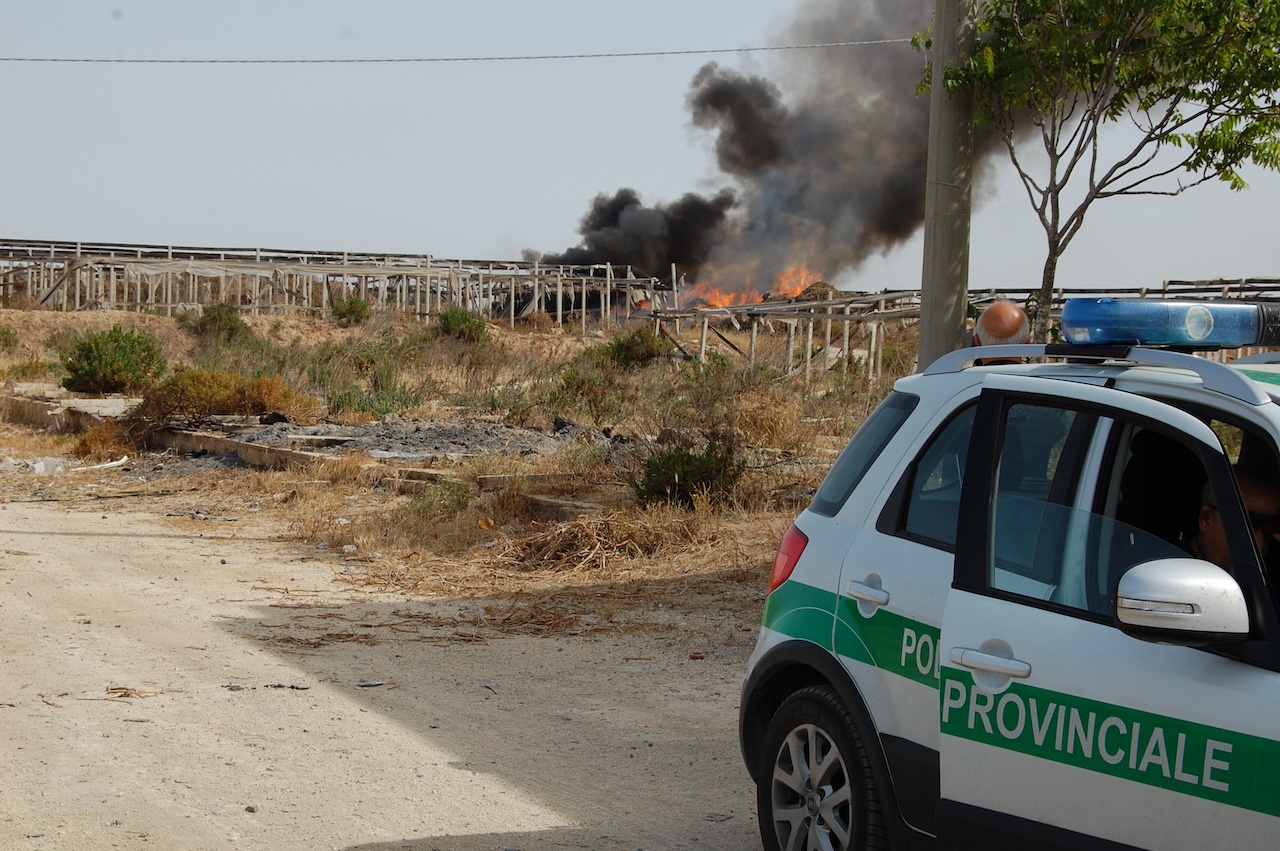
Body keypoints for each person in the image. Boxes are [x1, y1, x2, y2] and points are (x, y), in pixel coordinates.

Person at [1189, 466, 1280, 569]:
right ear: (1207, 519)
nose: (1260, 545)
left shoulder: (1268, 572)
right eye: (1248, 525)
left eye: (1273, 526)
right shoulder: (1176, 571)